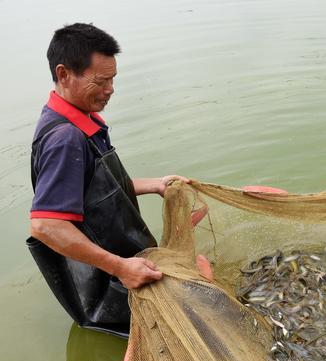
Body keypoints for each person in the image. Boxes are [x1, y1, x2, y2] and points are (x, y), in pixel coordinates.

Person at [26, 23, 211, 338]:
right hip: (109, 291)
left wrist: (154, 184)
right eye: (101, 80)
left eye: (113, 79)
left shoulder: (81, 120)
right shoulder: (65, 138)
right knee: (207, 315)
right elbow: (45, 225)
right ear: (64, 74)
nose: (110, 89)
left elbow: (94, 188)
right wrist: (122, 268)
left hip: (128, 269)